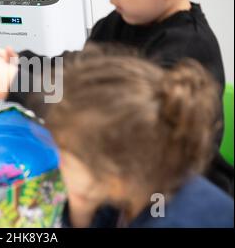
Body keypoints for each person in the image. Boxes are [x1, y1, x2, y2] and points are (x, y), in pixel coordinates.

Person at [0, 0, 233, 196]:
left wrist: (18, 82)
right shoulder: (117, 23)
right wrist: (22, 67)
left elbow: (110, 118)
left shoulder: (190, 52)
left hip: (171, 196)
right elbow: (78, 73)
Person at [47, 44, 234, 228]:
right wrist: (82, 210)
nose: (58, 165)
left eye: (64, 158)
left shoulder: (170, 219)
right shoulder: (143, 182)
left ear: (113, 173)